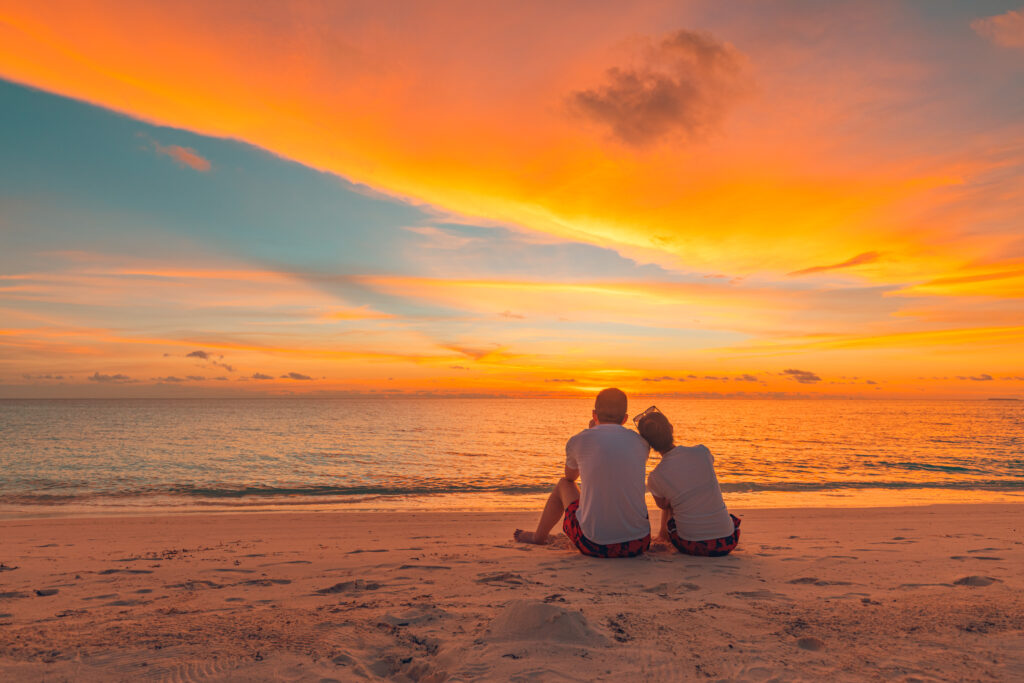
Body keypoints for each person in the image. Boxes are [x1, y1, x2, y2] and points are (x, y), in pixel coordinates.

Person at [513, 388, 651, 557]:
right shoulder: (641, 442)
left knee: (563, 484)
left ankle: (538, 537)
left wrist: (590, 431)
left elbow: (570, 477)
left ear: (594, 414)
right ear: (625, 419)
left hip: (593, 545)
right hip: (639, 543)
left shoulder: (579, 440)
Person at [636, 408, 740, 556]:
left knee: (669, 499)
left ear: (648, 444)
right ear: (671, 428)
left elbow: (663, 506)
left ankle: (663, 535)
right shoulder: (702, 452)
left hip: (691, 545)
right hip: (727, 541)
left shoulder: (656, 476)